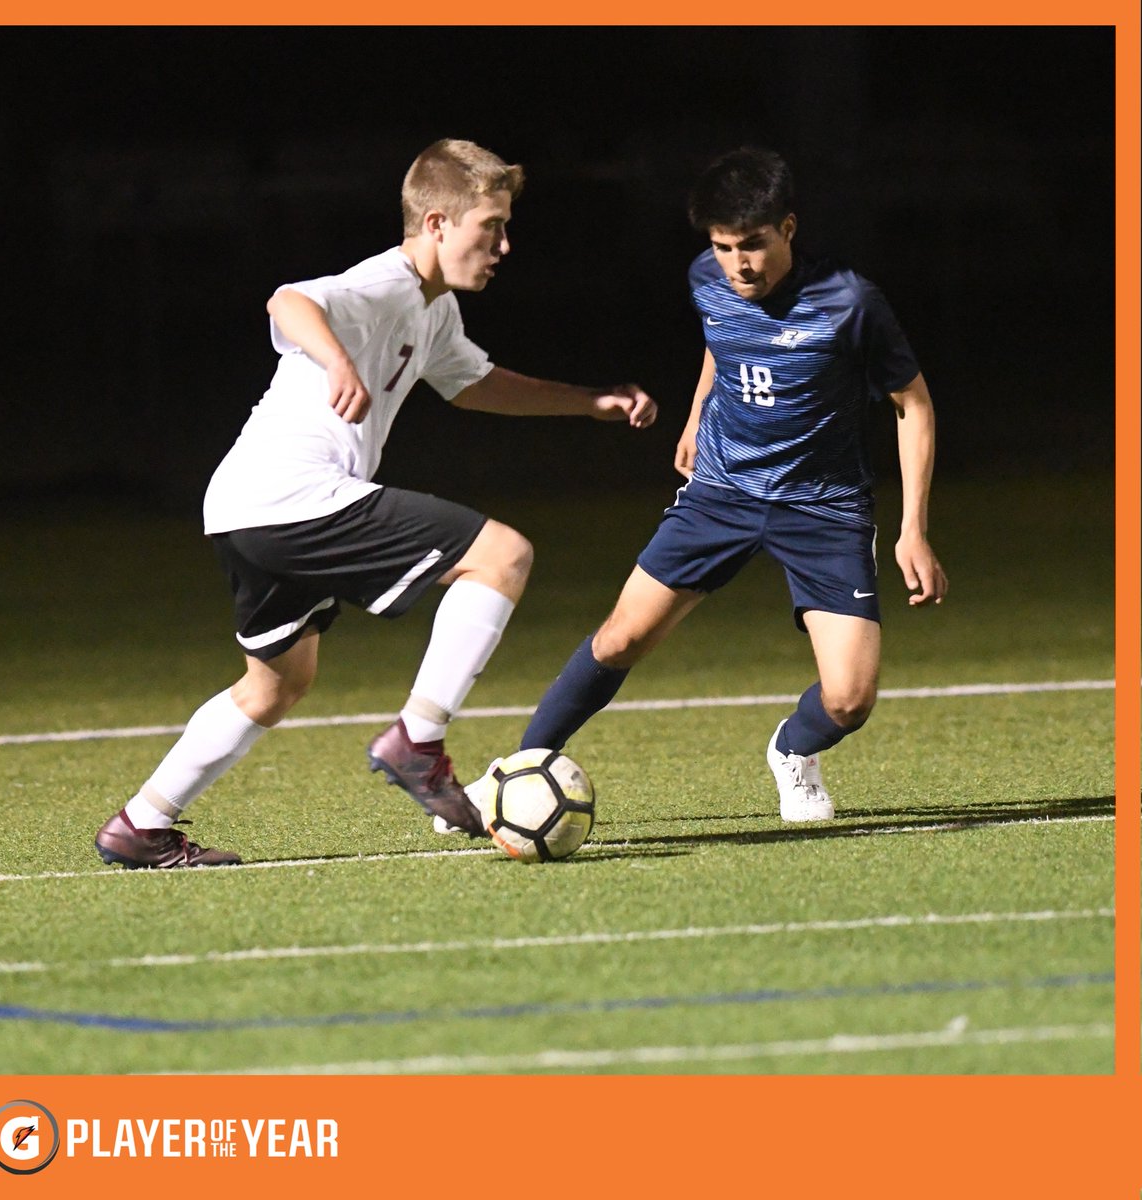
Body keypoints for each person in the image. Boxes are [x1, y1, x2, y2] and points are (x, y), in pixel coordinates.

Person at [94, 138, 656, 869]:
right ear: (435, 224)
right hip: (291, 495)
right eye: (491, 227)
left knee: (275, 685)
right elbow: (288, 300)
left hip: (244, 508)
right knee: (502, 555)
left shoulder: (434, 310)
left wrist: (590, 402)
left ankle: (141, 824)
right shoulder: (385, 284)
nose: (504, 245)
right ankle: (418, 741)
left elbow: (474, 382)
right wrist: (335, 360)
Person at [517, 145, 947, 821]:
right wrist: (695, 416)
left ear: (789, 229)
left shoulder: (851, 302)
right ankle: (519, 767)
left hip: (823, 507)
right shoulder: (706, 278)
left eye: (753, 244)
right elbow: (722, 337)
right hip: (724, 490)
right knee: (620, 638)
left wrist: (912, 528)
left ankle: (792, 748)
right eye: (723, 247)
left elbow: (912, 404)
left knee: (849, 699)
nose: (738, 264)